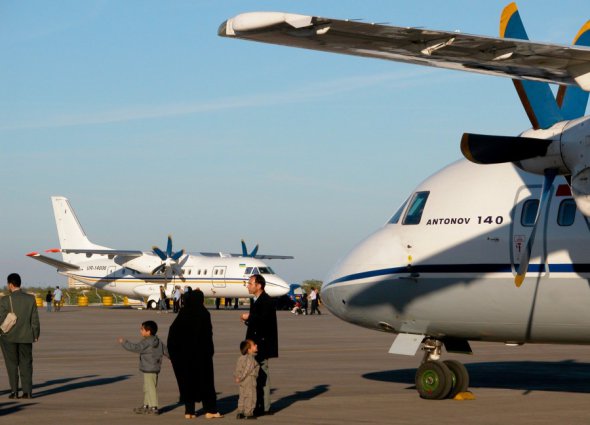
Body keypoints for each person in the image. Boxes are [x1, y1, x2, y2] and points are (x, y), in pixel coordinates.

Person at [167, 290, 223, 419]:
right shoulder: (204, 314)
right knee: (206, 383)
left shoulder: (182, 314)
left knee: (188, 383)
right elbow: (208, 336)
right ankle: (210, 410)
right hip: (202, 357)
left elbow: (173, 335)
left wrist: (174, 355)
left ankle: (189, 411)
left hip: (185, 358)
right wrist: (210, 352)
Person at [240, 274, 278, 416]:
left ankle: (263, 407)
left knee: (261, 375)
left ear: (259, 285)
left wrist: (249, 317)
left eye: (250, 283)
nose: (248, 286)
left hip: (261, 344)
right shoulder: (256, 300)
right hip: (254, 344)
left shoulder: (266, 300)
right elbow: (257, 322)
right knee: (257, 375)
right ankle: (260, 405)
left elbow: (264, 322)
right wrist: (248, 320)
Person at [0, 273, 40, 399]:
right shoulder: (30, 299)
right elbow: (35, 319)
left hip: (8, 337)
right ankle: (27, 392)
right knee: (26, 363)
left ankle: (14, 391)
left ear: (10, 284)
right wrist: (36, 334)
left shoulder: (5, 300)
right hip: (26, 336)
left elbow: (1, 319)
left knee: (11, 364)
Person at [118, 320, 168, 415]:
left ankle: (154, 407)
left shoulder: (147, 341)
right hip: (153, 367)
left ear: (148, 331)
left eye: (142, 329)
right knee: (147, 387)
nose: (140, 331)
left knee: (151, 387)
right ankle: (146, 405)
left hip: (150, 368)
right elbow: (165, 350)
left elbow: (136, 347)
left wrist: (124, 342)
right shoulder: (157, 340)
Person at [234, 339, 259, 420]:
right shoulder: (250, 359)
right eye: (254, 345)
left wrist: (237, 377)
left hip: (242, 381)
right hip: (249, 379)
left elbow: (237, 369)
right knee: (251, 396)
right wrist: (241, 377)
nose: (256, 345)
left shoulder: (240, 358)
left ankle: (240, 412)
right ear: (249, 349)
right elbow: (247, 370)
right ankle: (249, 413)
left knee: (242, 396)